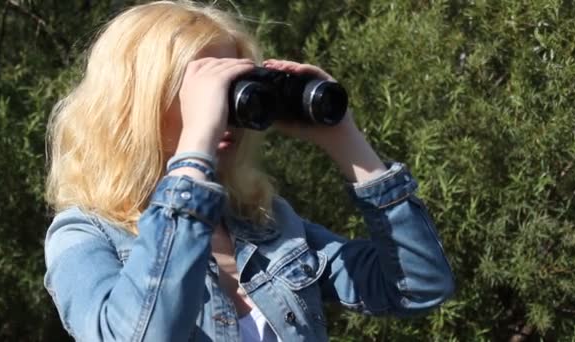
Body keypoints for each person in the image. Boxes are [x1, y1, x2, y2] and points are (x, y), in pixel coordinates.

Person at [43, 1, 455, 341]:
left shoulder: (267, 224)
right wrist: (197, 146)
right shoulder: (83, 237)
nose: (226, 110)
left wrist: (344, 137)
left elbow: (419, 286)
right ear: (136, 103)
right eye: (205, 92)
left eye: (236, 87)